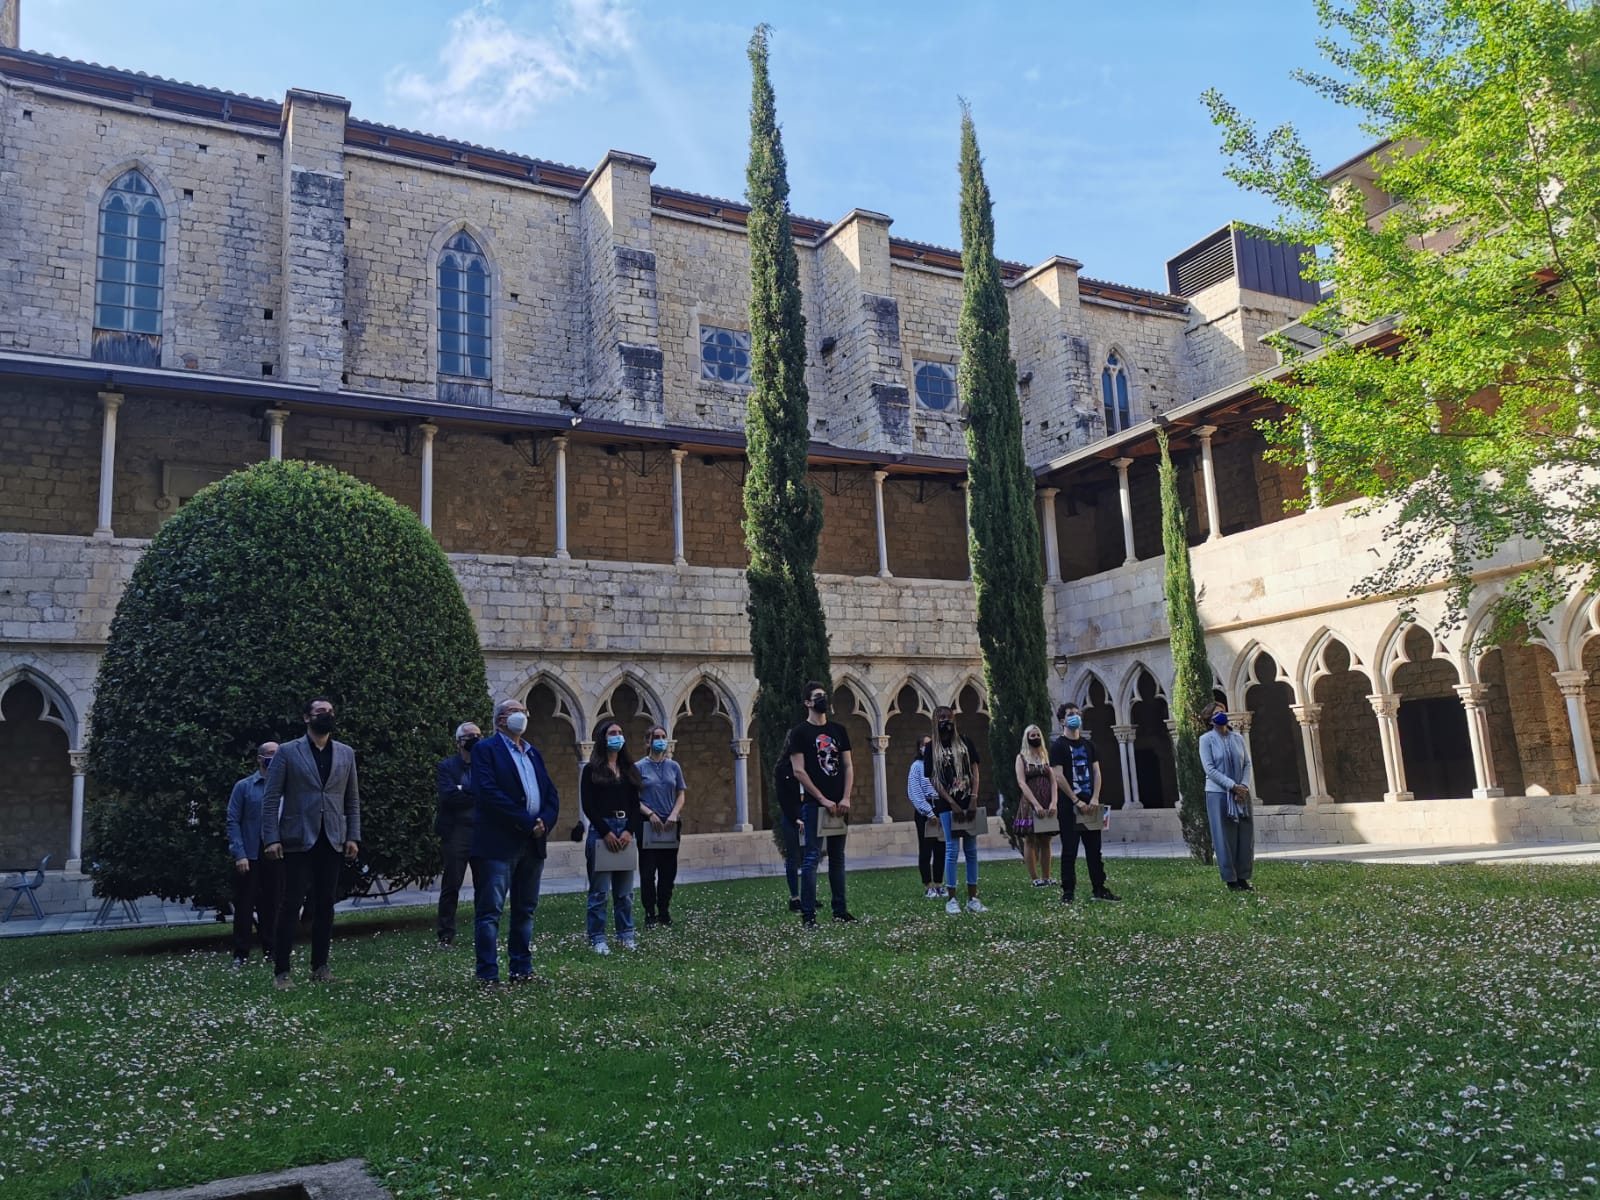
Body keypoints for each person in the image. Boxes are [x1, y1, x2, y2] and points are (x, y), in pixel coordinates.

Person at [262, 697, 360, 990]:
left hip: (332, 838)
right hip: (297, 839)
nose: (326, 715)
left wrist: (353, 835)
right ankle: (282, 972)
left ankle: (321, 967)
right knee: (290, 904)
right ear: (307, 718)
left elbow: (351, 799)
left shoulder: (345, 753)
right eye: (320, 712)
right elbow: (270, 798)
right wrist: (271, 838)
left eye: (330, 711)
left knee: (325, 905)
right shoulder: (288, 752)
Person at [470, 698, 560, 986]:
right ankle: (488, 975)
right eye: (514, 712)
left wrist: (544, 820)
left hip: (533, 843)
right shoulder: (486, 750)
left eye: (523, 711)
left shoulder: (533, 753)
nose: (521, 716)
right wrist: (525, 822)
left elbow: (550, 793)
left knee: (525, 909)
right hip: (499, 842)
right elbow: (487, 793)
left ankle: (521, 969)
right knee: (490, 911)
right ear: (499, 720)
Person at [786, 680, 857, 928]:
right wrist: (823, 799)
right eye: (817, 696)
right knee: (812, 858)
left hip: (840, 805)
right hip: (816, 806)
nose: (822, 700)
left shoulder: (839, 730)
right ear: (807, 702)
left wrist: (846, 797)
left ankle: (840, 910)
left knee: (838, 857)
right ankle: (809, 916)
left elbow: (848, 765)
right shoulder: (799, 733)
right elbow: (798, 771)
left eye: (824, 695)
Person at [1050, 703, 1120, 904]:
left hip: (1091, 805)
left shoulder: (1089, 745)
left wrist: (1095, 798)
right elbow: (1058, 775)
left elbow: (1097, 772)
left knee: (1094, 850)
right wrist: (1076, 800)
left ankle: (1099, 888)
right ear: (1062, 721)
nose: (1075, 717)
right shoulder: (1058, 746)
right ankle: (1068, 893)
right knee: (1069, 851)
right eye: (1071, 714)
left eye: (1077, 714)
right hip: (1069, 807)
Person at [582, 719, 641, 954]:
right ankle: (598, 938)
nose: (617, 736)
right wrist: (606, 832)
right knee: (599, 891)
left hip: (625, 827)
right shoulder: (591, 770)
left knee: (624, 892)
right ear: (602, 738)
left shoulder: (629, 770)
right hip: (602, 829)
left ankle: (626, 935)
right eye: (612, 732)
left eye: (620, 732)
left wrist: (628, 831)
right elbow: (588, 805)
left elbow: (636, 806)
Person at [923, 705, 987, 915]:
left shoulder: (965, 742)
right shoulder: (932, 748)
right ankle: (951, 900)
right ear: (934, 721)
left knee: (971, 851)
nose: (945, 720)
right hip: (947, 806)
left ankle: (973, 898)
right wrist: (951, 802)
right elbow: (934, 779)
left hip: (968, 802)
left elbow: (975, 770)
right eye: (941, 717)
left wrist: (973, 798)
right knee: (951, 850)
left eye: (948, 717)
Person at [225, 741, 282, 966]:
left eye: (278, 754)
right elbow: (233, 820)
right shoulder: (244, 787)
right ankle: (241, 953)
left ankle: (272, 950)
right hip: (249, 853)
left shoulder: (284, 786)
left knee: (273, 904)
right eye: (270, 754)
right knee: (245, 906)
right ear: (259, 758)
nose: (274, 758)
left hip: (276, 853)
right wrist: (239, 853)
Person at [434, 721, 481, 947]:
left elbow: (491, 794)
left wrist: (464, 791)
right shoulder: (447, 767)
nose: (474, 739)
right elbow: (448, 796)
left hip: (481, 830)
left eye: (477, 735)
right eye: (469, 736)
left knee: (484, 884)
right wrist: (474, 794)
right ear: (458, 742)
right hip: (456, 832)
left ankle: (483, 931)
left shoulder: (485, 766)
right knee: (452, 884)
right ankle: (445, 933)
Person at [1200, 703, 1255, 892]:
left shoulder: (1237, 738)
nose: (1221, 715)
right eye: (1216, 713)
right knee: (1225, 837)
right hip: (1219, 794)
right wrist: (1232, 786)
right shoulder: (1206, 740)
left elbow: (1247, 764)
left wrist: (1244, 786)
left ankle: (1243, 877)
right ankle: (1231, 880)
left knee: (1244, 836)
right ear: (1209, 719)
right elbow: (1209, 769)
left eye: (1222, 711)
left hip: (1242, 793)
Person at [636, 723, 686, 928]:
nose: (661, 740)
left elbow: (681, 793)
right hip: (649, 824)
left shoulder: (674, 766)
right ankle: (650, 913)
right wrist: (651, 814)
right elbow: (633, 798)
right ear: (648, 741)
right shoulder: (639, 767)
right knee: (648, 873)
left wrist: (674, 814)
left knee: (668, 871)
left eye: (663, 736)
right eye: (656, 737)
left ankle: (664, 911)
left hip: (670, 824)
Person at [1014, 724, 1055, 887]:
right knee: (1030, 839)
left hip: (1047, 801)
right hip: (1029, 804)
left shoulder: (1045, 756)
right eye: (1032, 736)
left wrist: (1054, 802)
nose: (1036, 738)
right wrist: (1036, 804)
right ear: (1027, 738)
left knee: (1046, 839)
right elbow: (1021, 783)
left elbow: (1053, 781)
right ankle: (1035, 878)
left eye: (1038, 735)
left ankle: (1046, 877)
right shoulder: (1021, 758)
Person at [907, 734, 943, 898]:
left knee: (940, 848)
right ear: (919, 747)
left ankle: (938, 883)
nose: (927, 748)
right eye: (924, 745)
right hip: (925, 811)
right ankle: (928, 885)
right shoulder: (916, 766)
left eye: (931, 745)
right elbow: (914, 792)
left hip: (941, 807)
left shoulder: (940, 765)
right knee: (926, 849)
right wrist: (928, 812)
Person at [775, 755, 804, 913]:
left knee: (808, 858)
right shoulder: (783, 769)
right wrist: (795, 818)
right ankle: (795, 898)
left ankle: (808, 896)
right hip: (791, 817)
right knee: (792, 858)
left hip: (807, 815)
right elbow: (782, 797)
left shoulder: (808, 765)